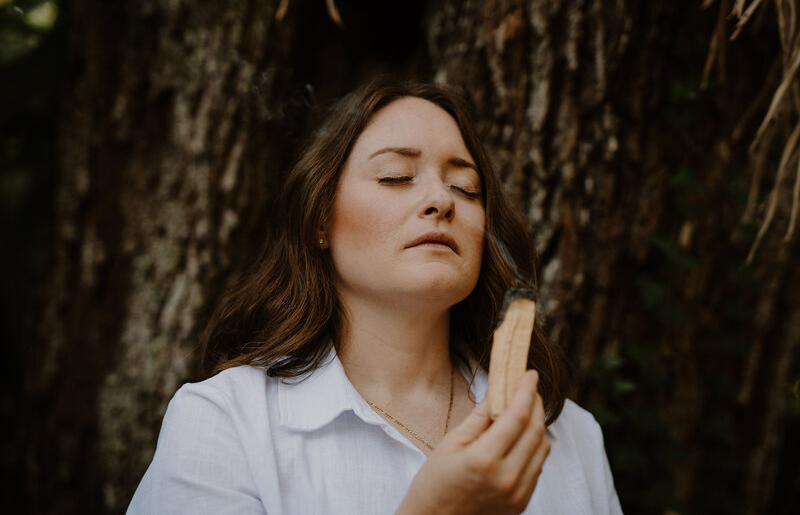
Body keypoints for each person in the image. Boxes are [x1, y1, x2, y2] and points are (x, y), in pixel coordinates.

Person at [128, 80, 623, 514]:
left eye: (465, 187)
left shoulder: (568, 435)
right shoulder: (225, 423)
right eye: (395, 177)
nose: (441, 199)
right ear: (320, 220)